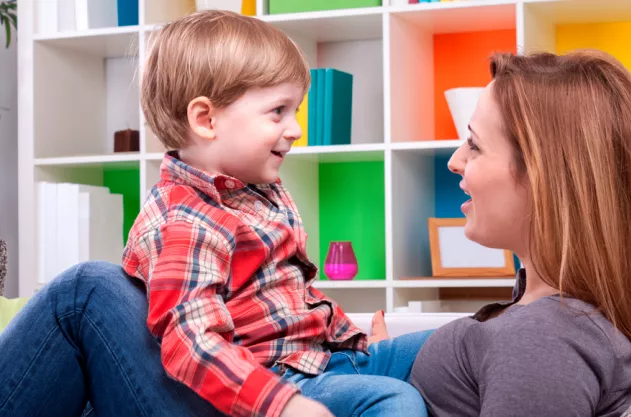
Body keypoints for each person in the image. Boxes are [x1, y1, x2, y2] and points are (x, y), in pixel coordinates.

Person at [0, 10, 427, 417]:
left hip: (318, 360)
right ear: (206, 119)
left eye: (294, 110)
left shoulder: (259, 194)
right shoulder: (186, 218)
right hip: (276, 380)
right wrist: (282, 405)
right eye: (278, 111)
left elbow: (295, 300)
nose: (296, 128)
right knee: (394, 399)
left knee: (452, 345)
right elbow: (193, 339)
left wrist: (352, 342)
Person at [405, 51, 631, 416]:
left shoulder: (543, 340)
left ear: (545, 180)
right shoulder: (561, 323)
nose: (455, 161)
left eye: (474, 145)